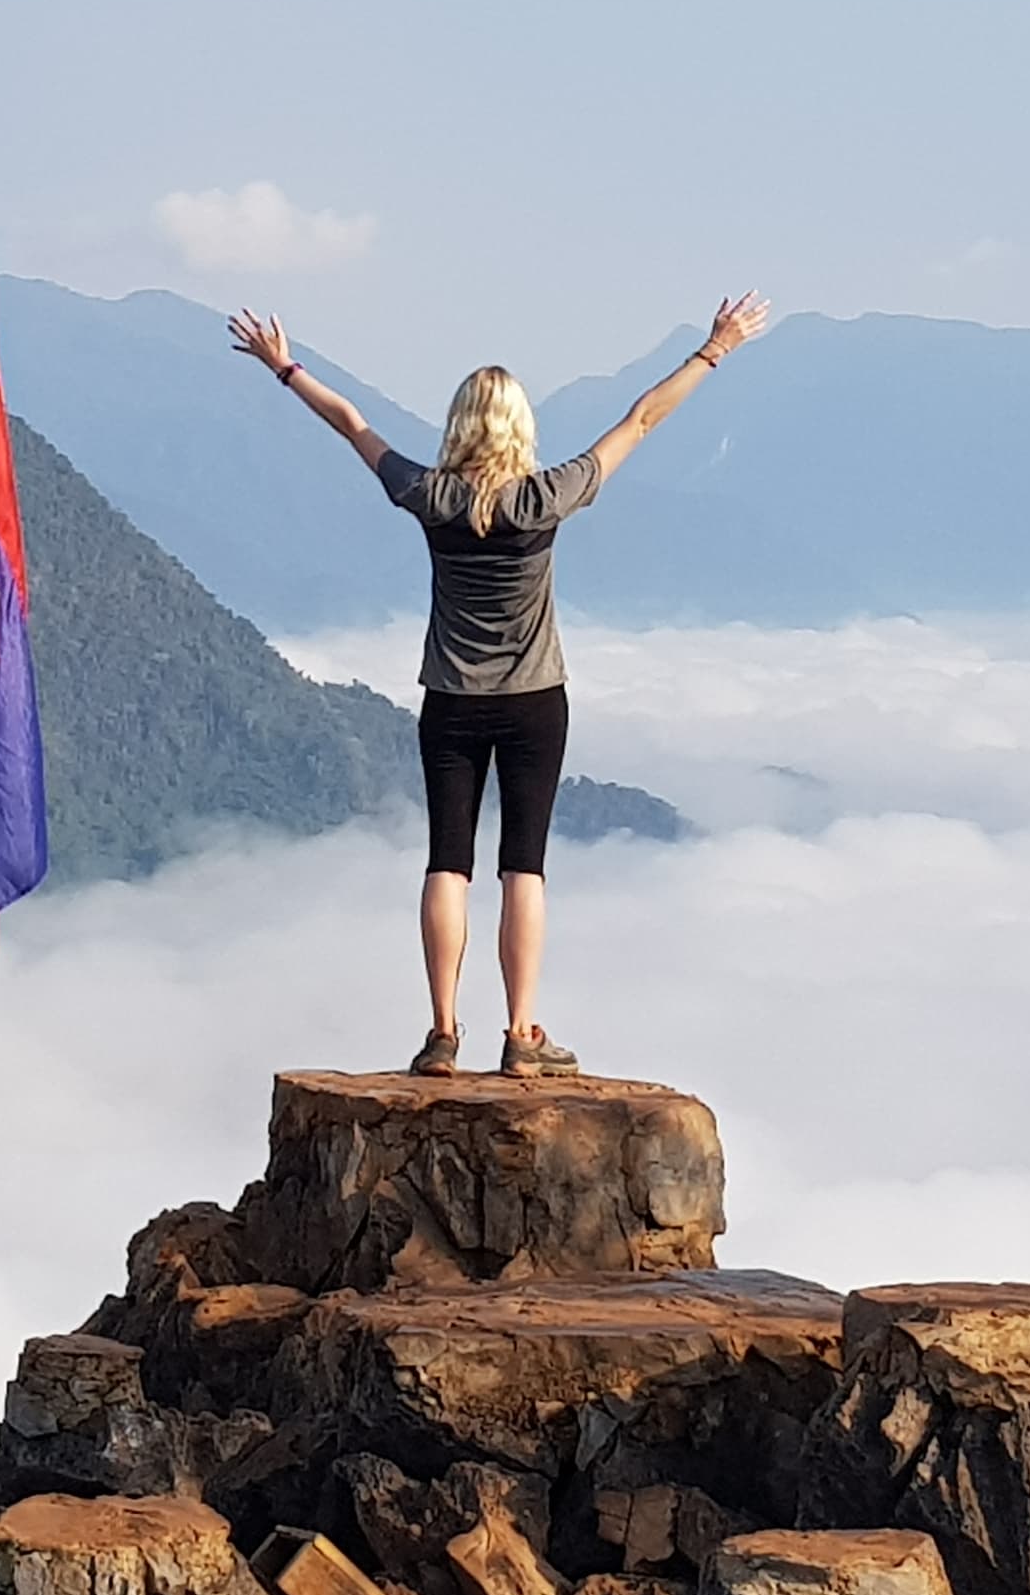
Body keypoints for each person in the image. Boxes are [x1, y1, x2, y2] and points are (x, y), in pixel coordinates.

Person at [229, 294, 773, 1077]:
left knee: (448, 862)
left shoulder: (430, 496)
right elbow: (642, 419)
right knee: (525, 864)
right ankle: (522, 1037)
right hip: (533, 702)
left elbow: (352, 423)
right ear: (520, 427)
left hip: (450, 700)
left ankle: (443, 1034)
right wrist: (713, 350)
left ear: (458, 426)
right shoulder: (546, 498)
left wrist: (284, 366)